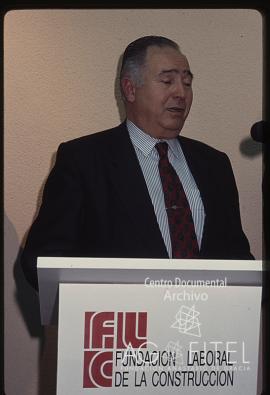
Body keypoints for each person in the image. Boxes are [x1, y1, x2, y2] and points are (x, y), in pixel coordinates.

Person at [21, 35, 254, 291]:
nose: (181, 93)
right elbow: (40, 262)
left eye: (187, 82)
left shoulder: (214, 164)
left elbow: (236, 258)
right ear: (130, 89)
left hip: (205, 326)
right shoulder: (83, 161)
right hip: (119, 326)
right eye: (167, 81)